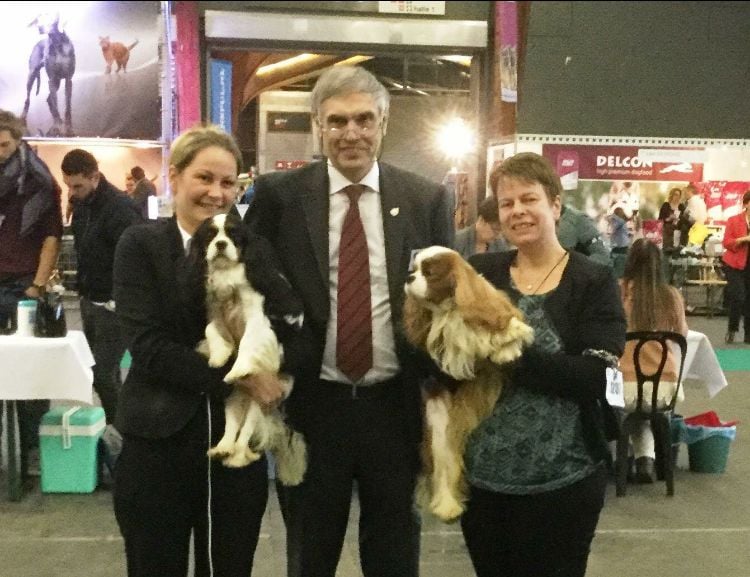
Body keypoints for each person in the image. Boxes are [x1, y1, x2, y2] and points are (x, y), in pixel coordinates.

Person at [245, 65, 454, 577]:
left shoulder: (427, 199)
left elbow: (449, 303)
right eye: (337, 122)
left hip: (396, 406)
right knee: (309, 555)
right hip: (314, 406)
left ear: (384, 121)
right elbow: (250, 284)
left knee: (394, 554)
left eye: (364, 119)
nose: (351, 134)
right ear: (318, 125)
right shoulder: (279, 197)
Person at [112, 125, 282, 577]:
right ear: (175, 176)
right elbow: (148, 346)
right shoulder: (141, 245)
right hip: (158, 442)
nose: (216, 192)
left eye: (228, 183)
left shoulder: (253, 249)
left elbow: (284, 318)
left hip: (234, 453)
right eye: (204, 178)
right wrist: (243, 375)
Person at [465, 152, 625, 577]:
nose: (517, 211)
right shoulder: (479, 274)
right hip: (483, 482)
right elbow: (449, 358)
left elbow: (597, 376)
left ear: (555, 205)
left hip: (567, 482)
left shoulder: (592, 280)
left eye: (528, 199)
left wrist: (505, 352)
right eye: (506, 203)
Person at [0, 109, 63, 476]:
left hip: (21, 284)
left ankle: (32, 450)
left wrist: (36, 285)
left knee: (29, 375)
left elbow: (50, 236)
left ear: (18, 140)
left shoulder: (39, 181)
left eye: (4, 145)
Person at [60, 149, 143, 424]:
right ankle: (117, 431)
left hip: (113, 305)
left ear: (95, 177)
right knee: (101, 373)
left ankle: (121, 432)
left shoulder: (121, 207)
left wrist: (121, 299)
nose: (72, 192)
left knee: (101, 372)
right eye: (68, 185)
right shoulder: (81, 204)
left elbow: (135, 257)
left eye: (78, 185)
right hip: (89, 300)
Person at [618, 238, 688, 482]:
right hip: (665, 388)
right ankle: (648, 459)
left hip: (623, 389)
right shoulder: (671, 296)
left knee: (627, 407)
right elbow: (681, 335)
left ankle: (624, 458)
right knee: (650, 408)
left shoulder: (619, 291)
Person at [721, 190, 750, 344]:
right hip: (734, 264)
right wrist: (742, 239)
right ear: (746, 204)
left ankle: (748, 334)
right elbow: (726, 242)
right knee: (738, 296)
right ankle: (732, 329)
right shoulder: (734, 220)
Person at [453, 195, 509, 259]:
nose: (498, 236)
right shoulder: (457, 241)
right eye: (495, 230)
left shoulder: (500, 244)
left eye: (501, 231)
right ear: (481, 220)